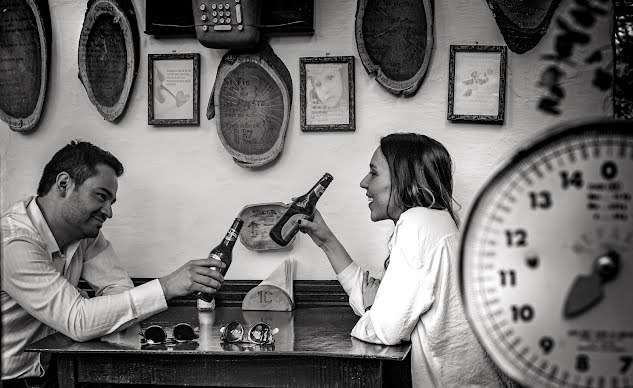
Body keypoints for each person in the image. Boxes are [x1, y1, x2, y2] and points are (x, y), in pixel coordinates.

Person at [1, 140, 226, 386]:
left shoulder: (85, 234)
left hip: (56, 369)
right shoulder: (14, 242)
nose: (109, 212)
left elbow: (119, 289)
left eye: (112, 202)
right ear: (64, 184)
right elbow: (79, 322)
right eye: (101, 196)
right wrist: (168, 286)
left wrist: (86, 311)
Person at [297, 133, 512, 387]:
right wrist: (325, 239)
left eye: (374, 173)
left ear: (404, 179)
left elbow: (383, 329)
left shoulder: (418, 223)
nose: (364, 183)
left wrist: (370, 310)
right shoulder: (435, 222)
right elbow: (379, 307)